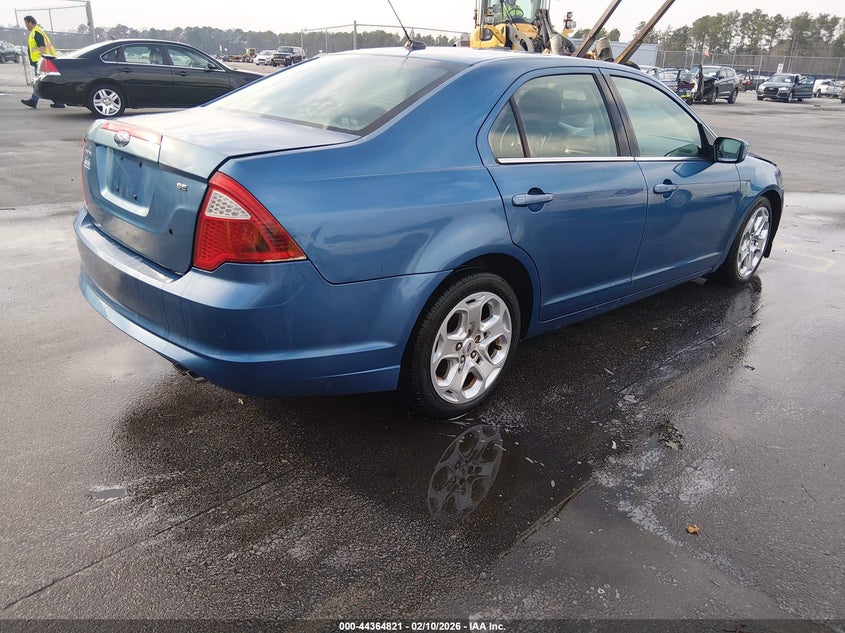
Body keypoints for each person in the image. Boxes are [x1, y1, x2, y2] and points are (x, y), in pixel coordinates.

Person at [20, 15, 64, 109]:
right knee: (48, 82)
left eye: (26, 23)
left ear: (30, 22)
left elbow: (42, 47)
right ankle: (59, 102)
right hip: (43, 60)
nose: (26, 25)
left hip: (42, 61)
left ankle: (33, 100)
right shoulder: (35, 32)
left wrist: (42, 61)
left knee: (39, 82)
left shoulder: (36, 32)